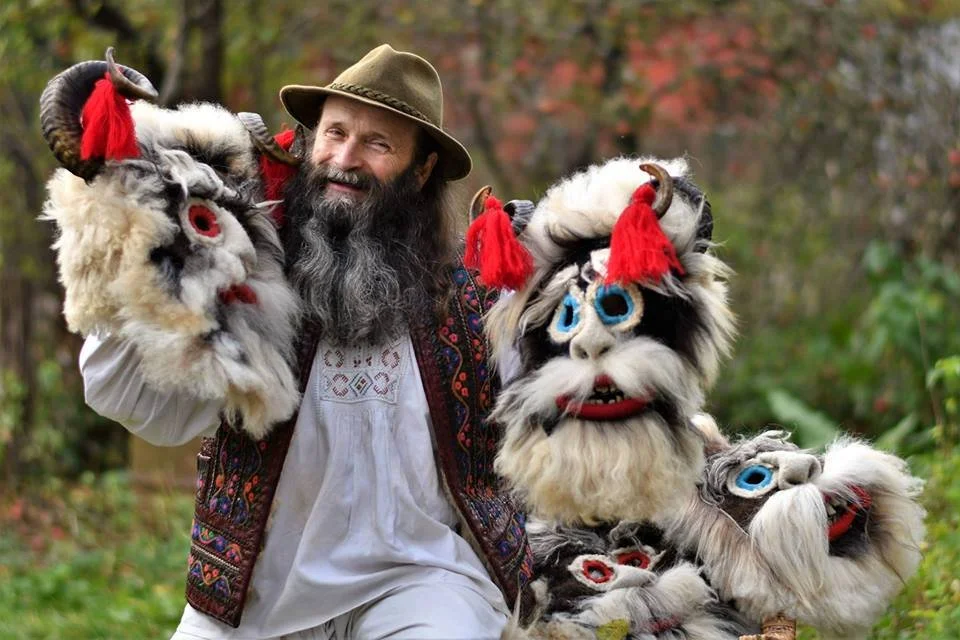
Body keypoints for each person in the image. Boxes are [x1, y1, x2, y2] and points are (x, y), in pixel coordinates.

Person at [79, 44, 531, 640]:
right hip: (254, 592)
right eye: (334, 132)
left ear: (421, 172)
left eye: (378, 144)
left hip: (421, 582)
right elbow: (147, 413)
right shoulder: (246, 276)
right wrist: (134, 262)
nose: (345, 158)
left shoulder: (473, 303)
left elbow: (543, 425)